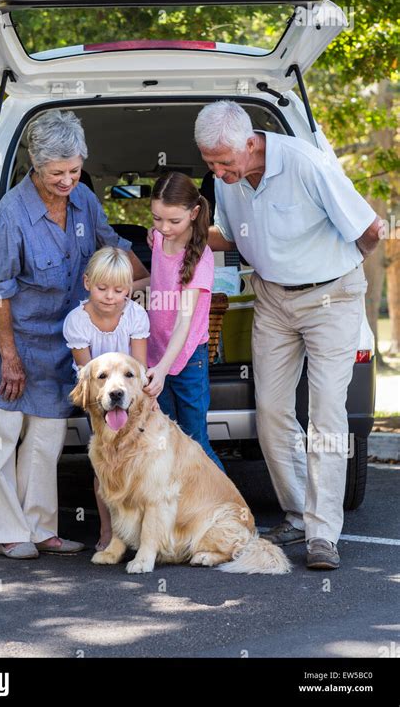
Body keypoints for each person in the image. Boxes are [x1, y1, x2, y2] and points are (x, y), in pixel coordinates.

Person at [189, 100, 381, 570]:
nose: (216, 171)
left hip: (331, 296)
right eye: (210, 162)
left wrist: (339, 270)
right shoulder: (226, 180)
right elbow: (230, 236)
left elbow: (369, 228)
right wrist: (176, 235)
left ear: (251, 144)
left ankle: (323, 533)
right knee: (272, 411)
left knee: (327, 415)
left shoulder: (306, 163)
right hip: (272, 299)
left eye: (223, 162)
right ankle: (298, 513)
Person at [0, 109, 149, 559]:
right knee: (3, 434)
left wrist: (157, 283)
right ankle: (7, 531)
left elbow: (113, 249)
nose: (67, 180)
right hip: (10, 334)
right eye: (56, 172)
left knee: (46, 437)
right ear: (35, 165)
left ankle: (41, 528)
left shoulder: (84, 200)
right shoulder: (10, 215)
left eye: (74, 170)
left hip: (59, 340)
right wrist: (9, 356)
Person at [135, 171, 225, 472]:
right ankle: (180, 513)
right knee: (166, 439)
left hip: (186, 361)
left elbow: (184, 323)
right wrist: (122, 290)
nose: (163, 227)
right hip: (157, 354)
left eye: (173, 221)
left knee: (194, 441)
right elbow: (158, 284)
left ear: (194, 212)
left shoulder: (201, 259)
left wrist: (162, 370)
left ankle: (229, 510)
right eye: (157, 219)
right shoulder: (159, 238)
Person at [63, 246, 150, 551]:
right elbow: (86, 375)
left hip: (131, 396)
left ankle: (142, 535)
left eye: (119, 290)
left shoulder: (135, 316)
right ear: (87, 283)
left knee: (139, 464)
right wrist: (106, 407)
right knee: (104, 466)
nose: (110, 297)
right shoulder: (77, 321)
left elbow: (139, 370)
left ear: (129, 289)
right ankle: (108, 532)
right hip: (98, 398)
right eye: (102, 288)